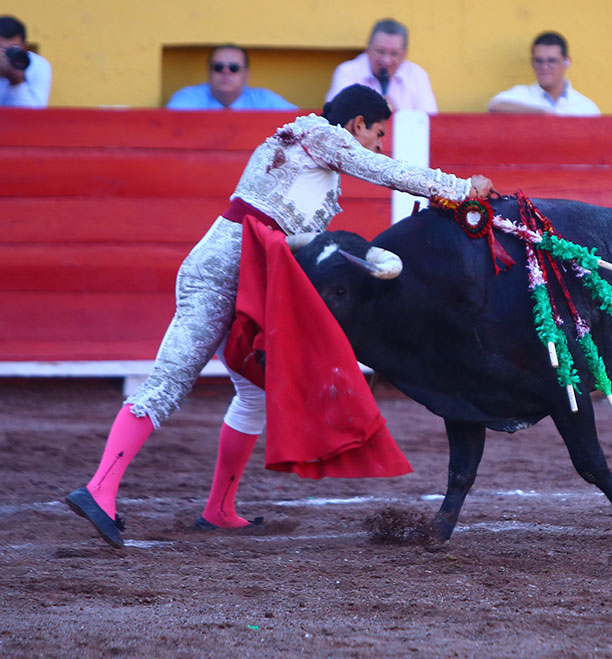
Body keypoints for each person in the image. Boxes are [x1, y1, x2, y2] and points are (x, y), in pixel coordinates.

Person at [66, 84, 494, 549]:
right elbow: (379, 168)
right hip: (221, 272)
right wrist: (458, 189)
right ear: (356, 125)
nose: (379, 142)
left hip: (255, 277)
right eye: (378, 132)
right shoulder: (319, 134)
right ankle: (99, 490)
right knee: (169, 381)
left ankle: (219, 510)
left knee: (252, 393)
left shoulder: (312, 163)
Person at [325, 18, 437, 113]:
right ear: (368, 49)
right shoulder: (347, 71)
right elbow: (334, 114)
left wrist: (397, 116)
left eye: (394, 54)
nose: (386, 60)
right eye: (380, 51)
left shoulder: (417, 75)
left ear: (404, 54)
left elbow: (429, 121)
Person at [487, 31, 600, 116]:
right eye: (539, 61)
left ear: (566, 62)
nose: (545, 67)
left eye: (552, 61)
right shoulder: (521, 94)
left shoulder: (586, 107)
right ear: (532, 63)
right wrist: (539, 112)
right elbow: (494, 105)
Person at [167, 44, 296, 110]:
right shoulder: (188, 97)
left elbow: (298, 123)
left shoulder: (264, 99)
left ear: (246, 75)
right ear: (209, 72)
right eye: (218, 67)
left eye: (234, 68)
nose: (226, 72)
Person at [0, 15, 52, 108]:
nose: (5, 56)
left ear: (24, 47)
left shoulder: (38, 65)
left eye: (12, 49)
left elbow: (34, 116)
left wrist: (17, 81)